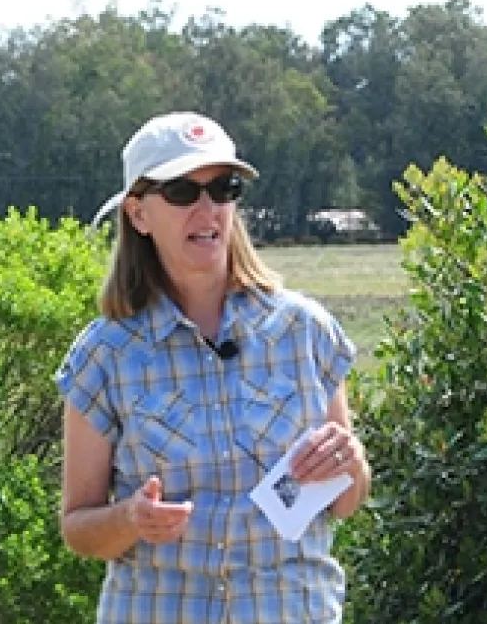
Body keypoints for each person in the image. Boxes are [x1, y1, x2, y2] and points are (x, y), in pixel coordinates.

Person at [54, 111, 371, 623]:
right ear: (138, 214)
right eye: (182, 192)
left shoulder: (306, 332)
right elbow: (78, 527)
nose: (207, 209)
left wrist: (351, 466)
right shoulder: (104, 356)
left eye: (223, 189)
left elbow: (343, 502)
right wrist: (132, 518)